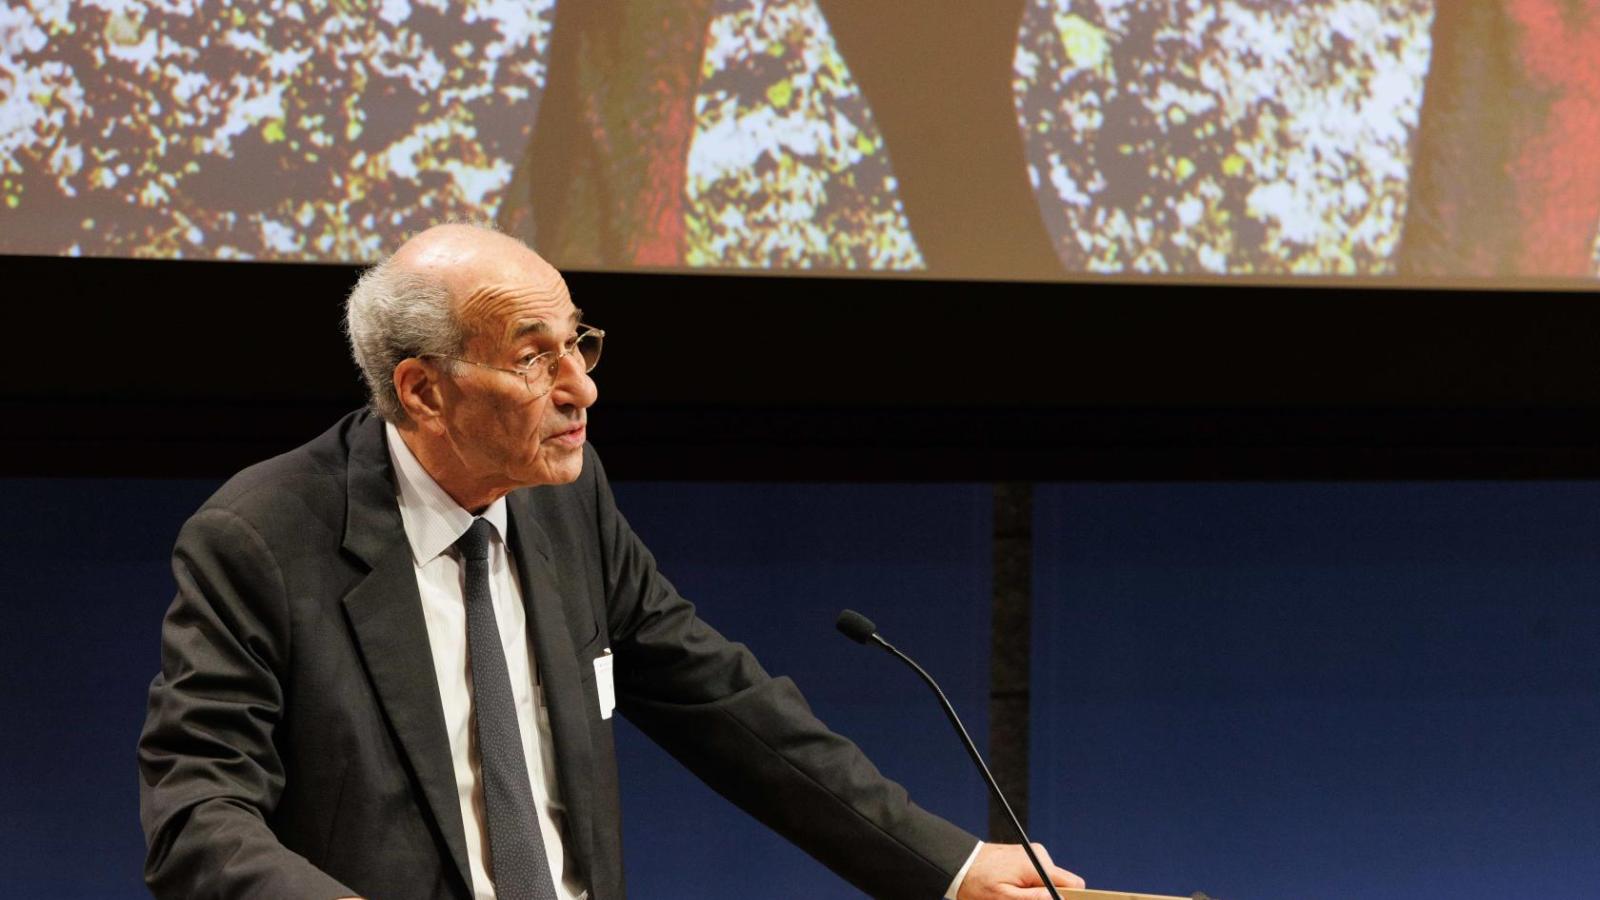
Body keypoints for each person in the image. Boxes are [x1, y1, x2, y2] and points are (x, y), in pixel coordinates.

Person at [137, 223, 1084, 899]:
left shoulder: (565, 501)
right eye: (532, 358)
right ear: (422, 392)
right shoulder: (261, 541)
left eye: (578, 343)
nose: (581, 387)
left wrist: (947, 866)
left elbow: (719, 702)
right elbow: (200, 815)